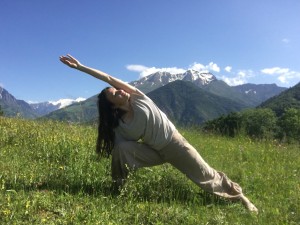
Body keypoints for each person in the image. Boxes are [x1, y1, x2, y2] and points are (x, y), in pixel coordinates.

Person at [59, 54, 258, 213]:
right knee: (121, 150)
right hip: (153, 151)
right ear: (113, 107)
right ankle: (118, 189)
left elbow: (109, 78)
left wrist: (81, 67)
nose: (119, 91)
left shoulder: (138, 96)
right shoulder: (121, 125)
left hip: (175, 145)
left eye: (117, 90)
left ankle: (241, 198)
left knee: (206, 176)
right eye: (115, 94)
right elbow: (124, 150)